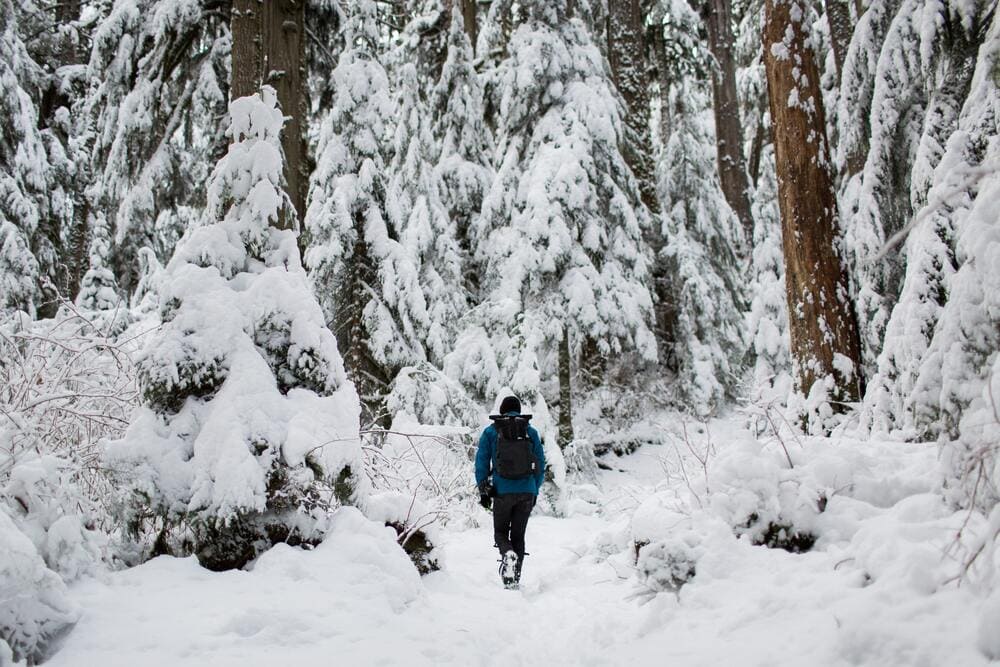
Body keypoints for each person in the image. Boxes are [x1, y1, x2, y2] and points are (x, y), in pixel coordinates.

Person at [474, 395, 546, 588]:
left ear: (502, 411)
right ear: (519, 411)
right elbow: (540, 465)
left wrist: (483, 488)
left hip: (502, 492)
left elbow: (481, 461)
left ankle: (507, 555)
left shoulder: (491, 432)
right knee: (518, 536)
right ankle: (513, 580)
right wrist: (534, 489)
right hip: (527, 492)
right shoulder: (530, 431)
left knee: (500, 532)